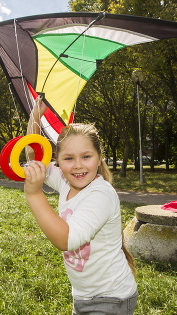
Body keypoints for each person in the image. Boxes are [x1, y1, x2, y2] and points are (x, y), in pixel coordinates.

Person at [23, 97, 138, 314]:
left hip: (112, 299)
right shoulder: (66, 182)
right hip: (84, 296)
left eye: (86, 156)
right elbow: (34, 157)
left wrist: (34, 194)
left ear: (99, 157)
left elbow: (65, 239)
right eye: (68, 158)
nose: (77, 166)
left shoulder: (101, 194)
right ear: (57, 159)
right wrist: (35, 117)